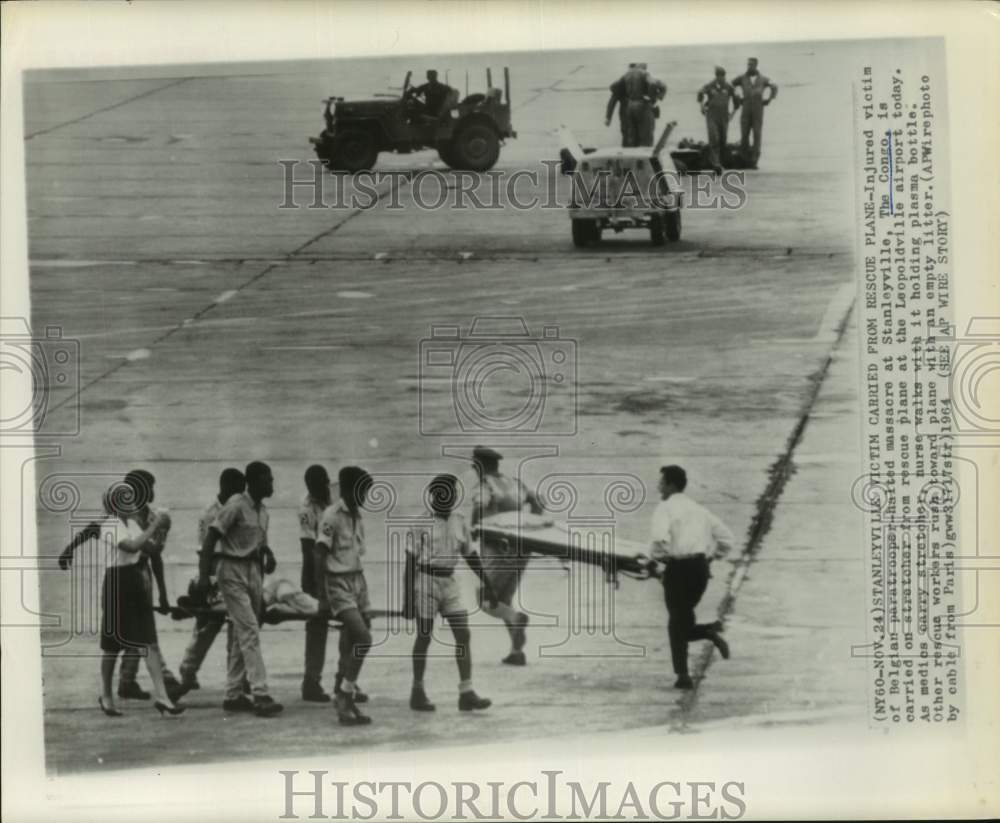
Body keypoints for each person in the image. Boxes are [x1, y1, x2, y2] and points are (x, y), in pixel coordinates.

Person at [197, 461, 283, 717]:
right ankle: (260, 693)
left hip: (253, 570)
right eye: (267, 480)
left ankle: (233, 693)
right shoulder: (235, 505)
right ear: (253, 482)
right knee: (249, 630)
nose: (271, 484)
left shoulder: (262, 511)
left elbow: (260, 542)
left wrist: (268, 554)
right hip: (231, 570)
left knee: (239, 633)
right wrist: (204, 577)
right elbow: (211, 538)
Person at [404, 474, 495, 713]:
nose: (449, 497)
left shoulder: (459, 520)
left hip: (449, 580)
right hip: (425, 580)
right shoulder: (419, 524)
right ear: (434, 495)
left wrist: (488, 583)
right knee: (424, 636)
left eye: (452, 493)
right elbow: (409, 563)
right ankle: (417, 690)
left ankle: (466, 692)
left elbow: (470, 555)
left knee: (463, 634)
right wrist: (407, 600)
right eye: (444, 493)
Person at [97, 482, 184, 717]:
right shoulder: (109, 525)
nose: (134, 504)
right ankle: (106, 695)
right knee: (113, 645)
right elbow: (133, 545)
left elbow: (151, 549)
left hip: (134, 581)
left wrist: (161, 531)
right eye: (128, 499)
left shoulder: (132, 524)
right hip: (117, 583)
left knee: (147, 641)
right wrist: (155, 524)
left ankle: (163, 697)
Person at [648, 465, 734, 690]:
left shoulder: (664, 508)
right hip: (700, 572)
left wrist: (659, 559)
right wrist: (711, 558)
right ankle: (707, 634)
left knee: (676, 624)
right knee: (682, 620)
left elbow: (659, 539)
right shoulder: (699, 510)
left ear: (672, 485)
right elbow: (727, 539)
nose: (659, 487)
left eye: (662, 483)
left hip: (678, 571)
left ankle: (685, 673)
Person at [468, 446, 545, 666]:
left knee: (485, 600)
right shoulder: (515, 482)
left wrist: (475, 528)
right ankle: (516, 652)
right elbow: (538, 502)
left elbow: (478, 507)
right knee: (504, 601)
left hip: (497, 549)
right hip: (521, 547)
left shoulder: (484, 486)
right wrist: (529, 525)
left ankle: (516, 619)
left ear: (479, 465)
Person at [176, 468, 246, 695]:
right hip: (215, 573)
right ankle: (188, 669)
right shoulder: (210, 513)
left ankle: (236, 676)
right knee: (207, 627)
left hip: (234, 575)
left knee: (236, 628)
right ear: (225, 487)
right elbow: (204, 550)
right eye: (238, 489)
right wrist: (205, 579)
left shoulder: (238, 509)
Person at [315, 466, 375, 726]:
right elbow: (319, 553)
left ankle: (346, 697)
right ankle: (343, 694)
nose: (365, 496)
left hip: (357, 582)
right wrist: (323, 596)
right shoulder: (332, 516)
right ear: (350, 489)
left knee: (353, 641)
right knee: (364, 637)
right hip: (338, 584)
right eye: (362, 491)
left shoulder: (356, 515)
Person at [731, 57, 778, 168]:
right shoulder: (742, 78)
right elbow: (730, 85)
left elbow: (774, 86)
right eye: (748, 64)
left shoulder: (763, 79)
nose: (749, 66)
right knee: (744, 134)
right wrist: (737, 97)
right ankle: (744, 160)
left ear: (756, 65)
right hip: (746, 108)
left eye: (751, 64)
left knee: (757, 134)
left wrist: (769, 99)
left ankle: (754, 161)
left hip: (758, 109)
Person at [697, 66, 738, 173]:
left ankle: (719, 162)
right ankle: (716, 164)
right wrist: (701, 106)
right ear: (716, 76)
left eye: (723, 76)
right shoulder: (710, 85)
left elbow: (737, 101)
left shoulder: (729, 87)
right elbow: (700, 93)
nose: (721, 78)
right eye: (719, 76)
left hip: (724, 116)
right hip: (711, 115)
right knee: (714, 138)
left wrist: (732, 114)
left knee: (723, 140)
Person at [605, 63, 635, 145]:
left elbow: (612, 101)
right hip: (626, 113)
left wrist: (608, 117)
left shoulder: (642, 79)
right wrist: (608, 117)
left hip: (632, 112)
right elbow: (612, 101)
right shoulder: (622, 82)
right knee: (627, 135)